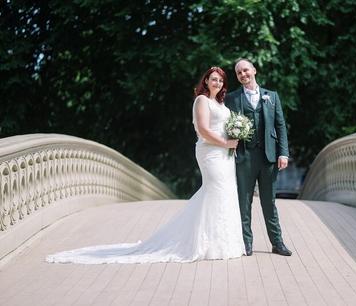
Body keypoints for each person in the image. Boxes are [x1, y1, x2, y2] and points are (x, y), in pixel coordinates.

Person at [46, 67, 246, 264]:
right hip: (211, 153)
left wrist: (233, 139)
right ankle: (205, 244)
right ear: (206, 81)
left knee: (225, 192)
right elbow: (203, 130)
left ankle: (223, 243)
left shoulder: (221, 104)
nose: (217, 83)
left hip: (225, 155)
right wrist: (225, 143)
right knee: (215, 190)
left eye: (220, 80)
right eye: (213, 79)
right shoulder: (202, 100)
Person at [225, 59, 292, 256]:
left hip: (268, 157)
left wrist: (283, 153)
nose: (243, 74)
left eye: (245, 70)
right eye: (239, 73)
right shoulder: (232, 98)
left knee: (269, 202)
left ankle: (277, 243)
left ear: (254, 70)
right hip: (244, 157)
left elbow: (280, 126)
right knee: (244, 202)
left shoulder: (272, 96)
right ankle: (246, 243)